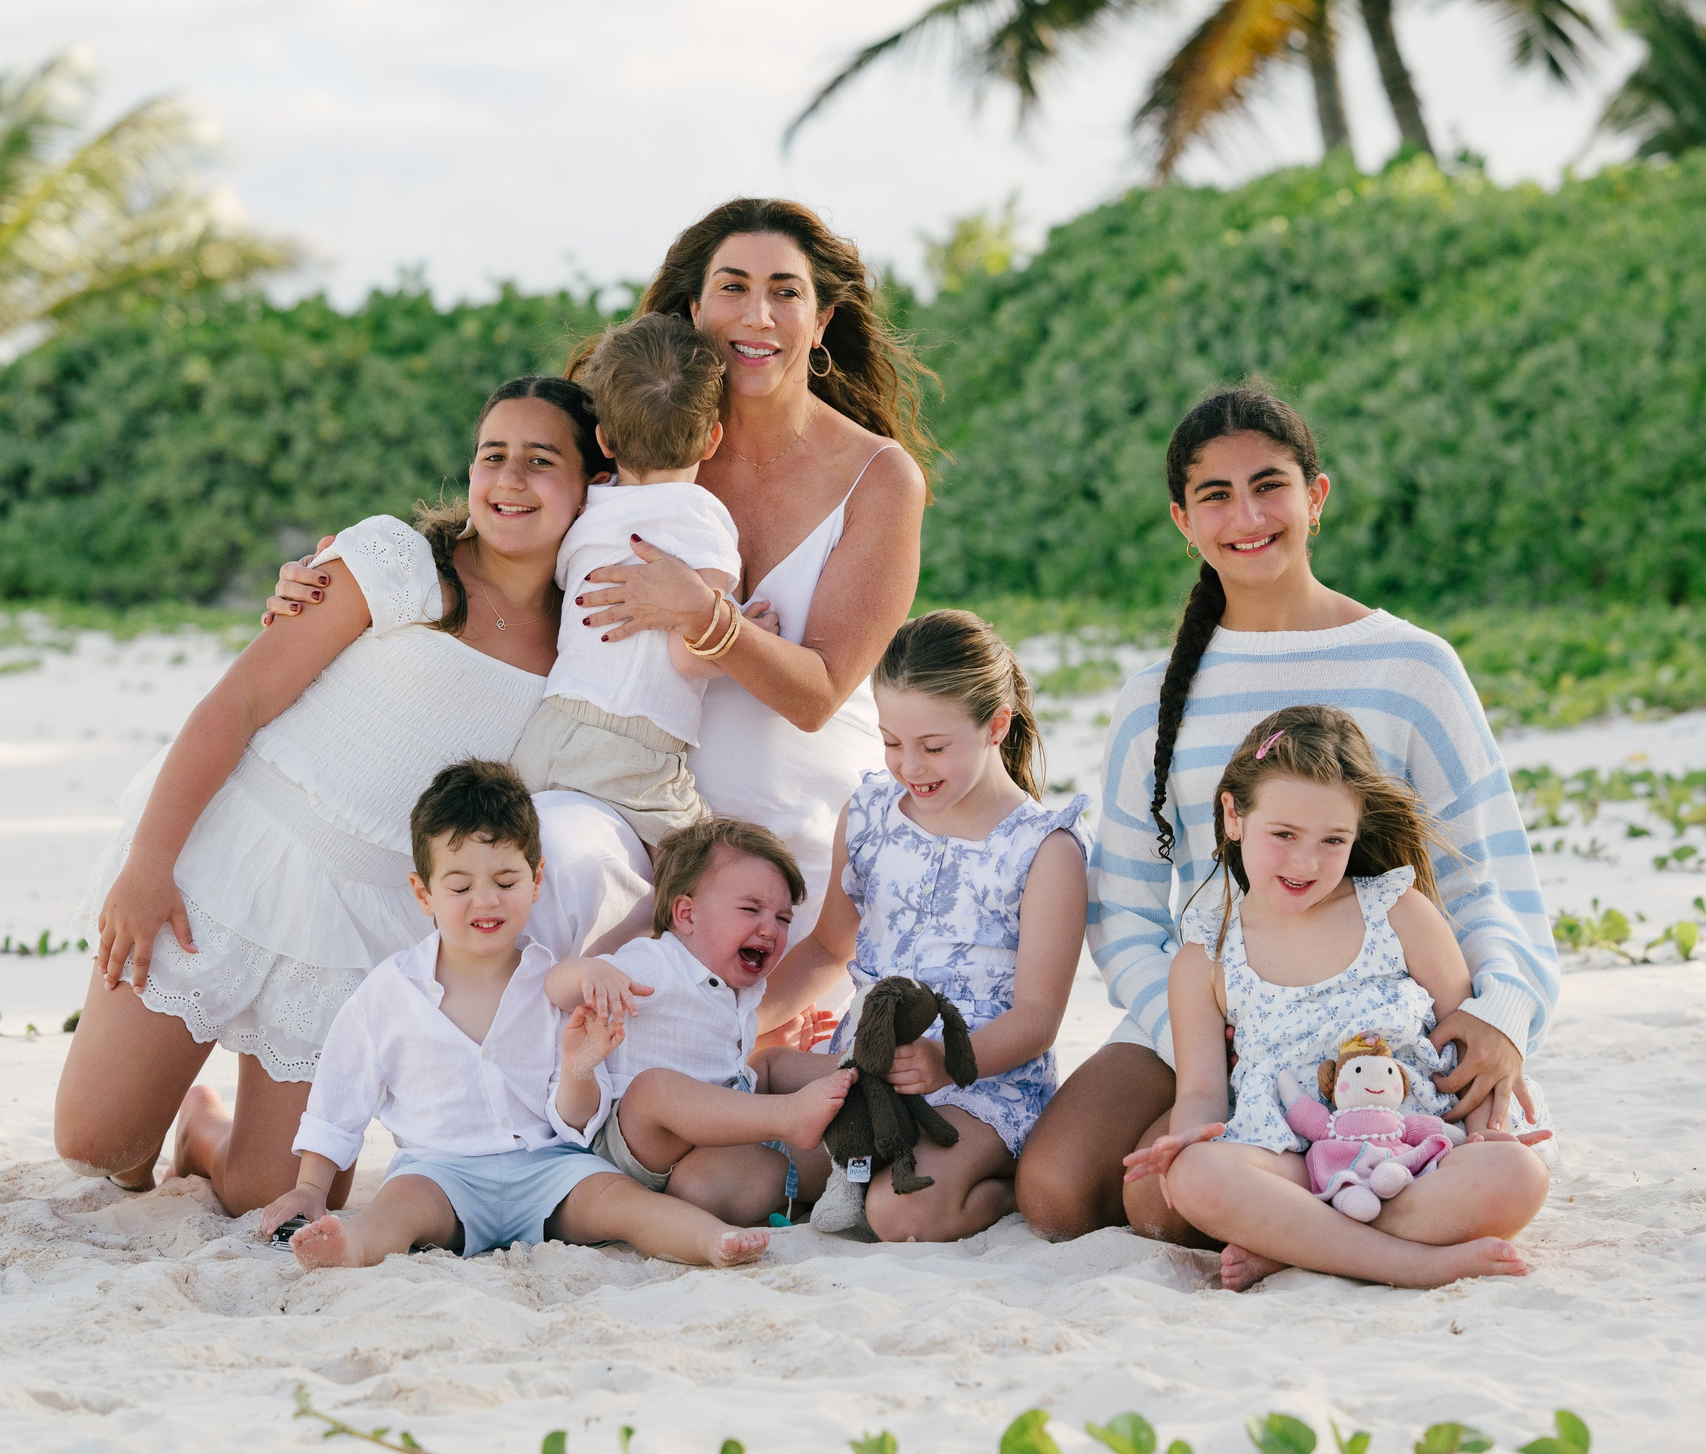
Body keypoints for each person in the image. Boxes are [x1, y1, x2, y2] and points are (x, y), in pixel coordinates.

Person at [264, 199, 932, 967]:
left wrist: (704, 616)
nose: (757, 314)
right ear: (695, 307)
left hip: (782, 841)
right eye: (732, 287)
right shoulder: (651, 431)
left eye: (785, 291)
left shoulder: (878, 478)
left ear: (821, 321)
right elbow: (513, 516)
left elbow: (817, 694)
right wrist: (350, 569)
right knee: (550, 868)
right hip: (609, 804)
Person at [1014, 381, 1559, 1244]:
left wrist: (1506, 1011)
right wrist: (1200, 1031)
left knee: (1161, 1204)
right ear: (1182, 522)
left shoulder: (1410, 667)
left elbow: (1486, 876)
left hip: (1369, 1014)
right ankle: (1323, 1199)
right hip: (1210, 1010)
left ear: (1316, 496)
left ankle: (1318, 1202)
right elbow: (1121, 908)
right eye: (1215, 496)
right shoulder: (1155, 699)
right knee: (1055, 1194)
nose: (1247, 515)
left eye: (1270, 485)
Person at [51, 378, 608, 1217]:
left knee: (267, 1192)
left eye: (541, 461)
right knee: (98, 1146)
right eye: (493, 456)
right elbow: (237, 703)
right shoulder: (396, 562)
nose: (510, 481)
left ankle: (203, 1131)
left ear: (592, 487)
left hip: (360, 919)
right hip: (233, 853)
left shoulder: (581, 645)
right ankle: (152, 1111)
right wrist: (149, 864)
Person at [261, 761, 772, 1270]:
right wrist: (311, 1187)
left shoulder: (553, 984)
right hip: (441, 1172)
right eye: (460, 887)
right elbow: (338, 1097)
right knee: (398, 1206)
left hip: (548, 1169)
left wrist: (579, 1069)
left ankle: (713, 1241)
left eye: (506, 881)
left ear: (535, 879)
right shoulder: (391, 993)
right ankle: (351, 1250)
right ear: (424, 893)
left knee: (625, 1202)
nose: (485, 900)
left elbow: (575, 1123)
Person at [1120, 706, 1551, 1289]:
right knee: (1195, 1177)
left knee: (1517, 1174)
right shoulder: (1207, 955)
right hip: (1292, 1161)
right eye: (1284, 835)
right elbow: (1200, 1090)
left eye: (1333, 840)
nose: (1306, 862)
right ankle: (1410, 1261)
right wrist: (1186, 1140)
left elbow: (1464, 1043)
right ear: (1234, 816)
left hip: (1414, 1153)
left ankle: (1303, 1243)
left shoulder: (1398, 911)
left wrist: (1483, 1133)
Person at [754, 611, 1091, 1242]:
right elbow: (830, 946)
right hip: (866, 1069)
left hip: (980, 1084)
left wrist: (941, 1061)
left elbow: (1037, 1016)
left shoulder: (1044, 849)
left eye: (934, 747)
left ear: (996, 726)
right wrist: (745, 1017)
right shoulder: (870, 813)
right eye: (891, 741)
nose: (910, 765)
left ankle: (1001, 1182)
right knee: (732, 1178)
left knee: (901, 1211)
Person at [543, 818, 858, 1225]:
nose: (771, 929)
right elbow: (554, 987)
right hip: (634, 1142)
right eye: (750, 909)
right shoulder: (655, 963)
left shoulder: (742, 992)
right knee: (654, 1089)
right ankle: (789, 1115)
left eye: (782, 918)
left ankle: (857, 1072)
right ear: (686, 916)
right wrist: (590, 973)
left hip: (704, 1151)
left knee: (768, 1066)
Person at [510, 312, 740, 847]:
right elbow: (690, 653)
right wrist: (748, 630)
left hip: (547, 729)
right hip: (633, 749)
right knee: (706, 865)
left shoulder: (592, 509)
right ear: (712, 439)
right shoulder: (700, 520)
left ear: (604, 441)